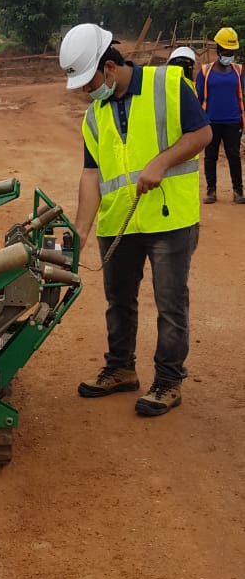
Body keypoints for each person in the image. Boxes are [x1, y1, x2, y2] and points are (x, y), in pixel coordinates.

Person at [59, 23, 211, 418]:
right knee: (119, 302)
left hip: (168, 218)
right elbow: (91, 174)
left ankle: (168, 381)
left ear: (110, 67)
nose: (86, 91)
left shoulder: (169, 84)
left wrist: (161, 162)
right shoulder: (94, 116)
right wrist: (80, 230)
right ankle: (121, 368)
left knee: (170, 304)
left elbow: (202, 134)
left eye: (89, 82)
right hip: (119, 223)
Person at [195, 27, 245, 204]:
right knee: (210, 157)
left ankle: (238, 191)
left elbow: (243, 95)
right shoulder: (205, 71)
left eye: (231, 52)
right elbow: (199, 98)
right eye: (226, 51)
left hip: (233, 121)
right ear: (218, 49)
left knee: (234, 156)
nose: (229, 55)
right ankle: (211, 191)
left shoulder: (239, 71)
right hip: (210, 122)